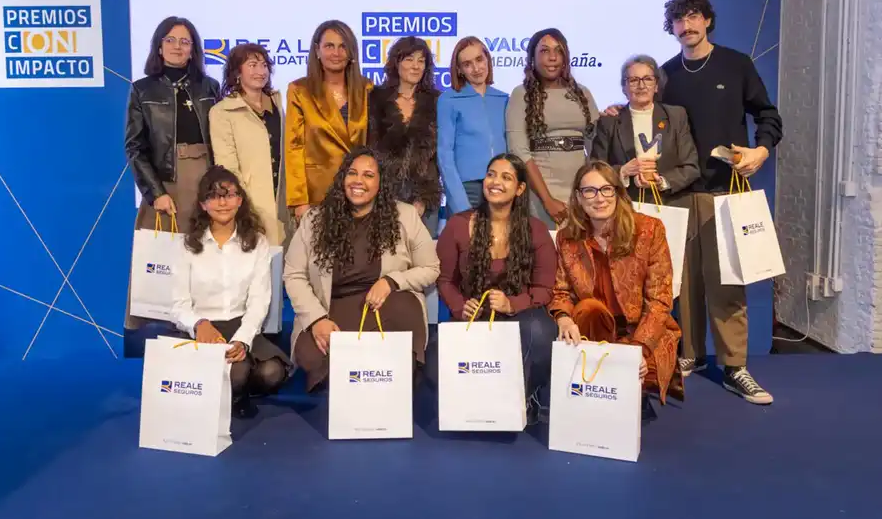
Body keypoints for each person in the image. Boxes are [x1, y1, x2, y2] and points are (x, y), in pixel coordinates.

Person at [659, 0, 781, 404]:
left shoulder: (736, 64)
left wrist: (761, 151)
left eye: (694, 16)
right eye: (679, 19)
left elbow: (768, 115)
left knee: (728, 282)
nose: (687, 25)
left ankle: (734, 367)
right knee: (683, 284)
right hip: (678, 195)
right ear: (672, 27)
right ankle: (690, 356)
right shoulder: (665, 75)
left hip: (725, 191)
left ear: (707, 20)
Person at [283, 147, 440, 392]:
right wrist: (316, 320)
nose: (358, 181)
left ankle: (389, 375)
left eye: (368, 175)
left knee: (404, 310)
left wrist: (391, 282)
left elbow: (430, 268)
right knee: (312, 357)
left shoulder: (405, 215)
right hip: (330, 310)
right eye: (352, 173)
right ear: (342, 178)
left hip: (384, 307)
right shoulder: (315, 219)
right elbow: (294, 274)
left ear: (380, 183)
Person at [433, 153, 558, 421]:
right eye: (491, 174)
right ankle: (477, 402)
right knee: (434, 359)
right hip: (474, 317)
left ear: (520, 189)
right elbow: (444, 280)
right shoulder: (458, 225)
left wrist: (512, 304)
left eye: (506, 177)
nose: (495, 182)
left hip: (519, 317)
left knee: (541, 331)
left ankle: (522, 397)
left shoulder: (535, 230)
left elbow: (545, 288)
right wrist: (460, 307)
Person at [548, 161, 683, 408]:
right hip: (596, 329)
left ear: (618, 192)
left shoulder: (649, 229)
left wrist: (639, 350)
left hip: (640, 330)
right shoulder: (567, 238)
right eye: (590, 191)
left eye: (606, 189)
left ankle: (627, 383)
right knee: (588, 308)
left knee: (639, 379)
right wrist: (563, 318)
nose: (599, 198)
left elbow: (660, 300)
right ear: (578, 197)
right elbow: (561, 291)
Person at [171, 166, 291, 419]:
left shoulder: (256, 242)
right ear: (203, 204)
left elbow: (259, 301)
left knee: (272, 373)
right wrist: (199, 324)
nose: (223, 203)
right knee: (236, 374)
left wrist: (243, 340)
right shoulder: (187, 245)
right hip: (203, 329)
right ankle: (228, 391)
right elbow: (178, 306)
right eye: (214, 196)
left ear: (240, 200)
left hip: (240, 324)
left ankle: (230, 388)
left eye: (229, 195)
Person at [125, 16, 220, 331]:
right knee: (167, 266)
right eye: (170, 40)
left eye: (185, 41)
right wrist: (156, 193)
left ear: (193, 49)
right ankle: (169, 337)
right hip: (167, 185)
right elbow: (135, 147)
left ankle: (206, 329)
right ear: (159, 46)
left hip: (206, 181)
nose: (177, 47)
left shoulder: (210, 87)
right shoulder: (142, 90)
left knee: (206, 260)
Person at [506, 28, 599, 230]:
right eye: (544, 51)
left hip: (582, 190)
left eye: (558, 50)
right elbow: (519, 151)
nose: (552, 57)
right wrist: (547, 199)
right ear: (532, 57)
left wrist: (592, 189)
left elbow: (597, 143)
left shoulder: (582, 93)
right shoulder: (521, 94)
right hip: (540, 191)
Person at [284, 20, 374, 224]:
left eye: (343, 46)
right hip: (317, 194)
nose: (336, 53)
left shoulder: (367, 88)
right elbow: (294, 148)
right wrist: (299, 200)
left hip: (359, 191)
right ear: (317, 50)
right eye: (329, 46)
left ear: (351, 52)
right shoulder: (299, 91)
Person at [210, 43, 292, 248]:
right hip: (250, 205)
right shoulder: (222, 112)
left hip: (283, 204)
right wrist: (244, 205)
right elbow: (227, 167)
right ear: (237, 72)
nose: (261, 71)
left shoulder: (276, 104)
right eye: (253, 65)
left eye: (264, 65)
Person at [590, 54, 699, 201]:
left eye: (647, 79)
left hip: (669, 203)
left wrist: (661, 182)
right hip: (626, 204)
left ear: (656, 85)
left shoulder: (676, 116)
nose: (641, 86)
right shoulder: (609, 122)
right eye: (633, 80)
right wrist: (622, 172)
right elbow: (596, 167)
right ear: (624, 88)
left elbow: (691, 167)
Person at [368, 36, 441, 237]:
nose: (416, 66)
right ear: (396, 63)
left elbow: (439, 155)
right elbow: (369, 149)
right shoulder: (375, 99)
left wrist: (423, 198)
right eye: (409, 59)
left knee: (424, 255)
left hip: (424, 200)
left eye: (421, 61)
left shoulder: (437, 101)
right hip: (383, 198)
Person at [437, 36, 509, 214]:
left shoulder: (503, 99)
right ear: (459, 70)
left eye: (479, 59)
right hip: (467, 190)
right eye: (467, 64)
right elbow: (444, 155)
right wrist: (459, 203)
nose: (476, 68)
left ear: (487, 60)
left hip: (501, 185)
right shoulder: (448, 99)